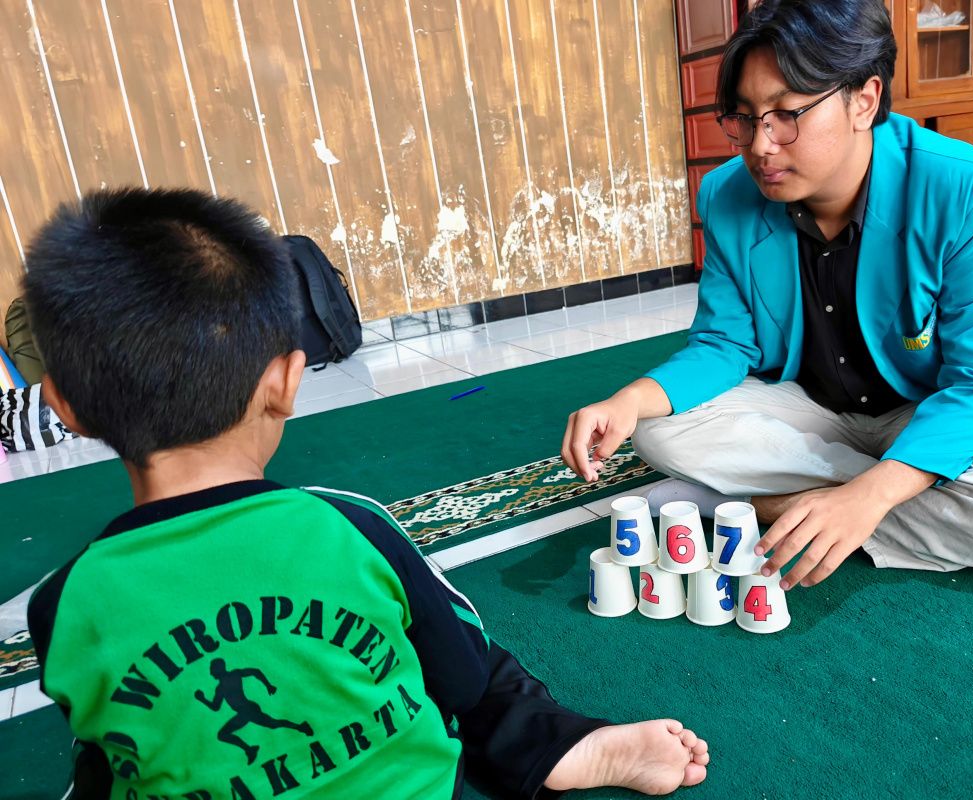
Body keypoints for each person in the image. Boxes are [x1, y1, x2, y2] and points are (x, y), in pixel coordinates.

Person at [24, 188, 708, 799]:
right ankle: (559, 745)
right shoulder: (349, 526)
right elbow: (464, 680)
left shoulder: (63, 603)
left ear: (65, 408)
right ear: (287, 381)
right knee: (460, 647)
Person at [562, 0, 973, 591]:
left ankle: (767, 507)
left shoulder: (966, 188)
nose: (760, 145)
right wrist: (629, 399)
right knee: (656, 428)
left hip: (932, 407)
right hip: (814, 415)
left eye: (786, 114)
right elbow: (723, 342)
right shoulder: (727, 195)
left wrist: (874, 493)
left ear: (864, 100)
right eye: (744, 118)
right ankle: (853, 503)